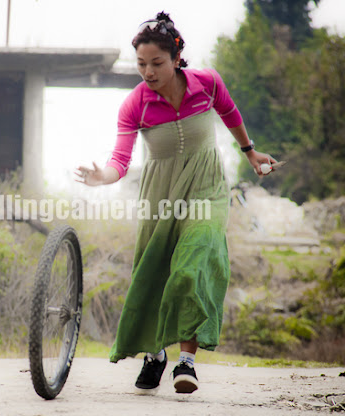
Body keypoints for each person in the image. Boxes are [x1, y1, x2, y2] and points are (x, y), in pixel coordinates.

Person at [75, 11, 277, 394]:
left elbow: (230, 113)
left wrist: (250, 153)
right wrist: (104, 176)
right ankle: (156, 354)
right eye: (141, 64)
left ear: (177, 56)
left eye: (157, 63)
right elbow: (120, 158)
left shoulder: (207, 83)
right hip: (161, 194)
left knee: (193, 263)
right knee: (154, 273)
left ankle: (187, 361)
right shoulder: (135, 104)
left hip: (206, 186)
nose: (148, 72)